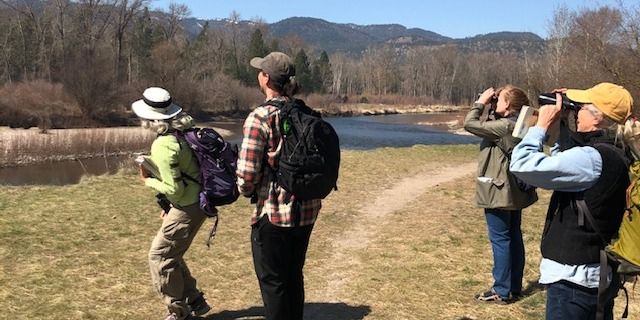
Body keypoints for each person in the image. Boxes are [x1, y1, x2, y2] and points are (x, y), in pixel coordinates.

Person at [509, 82, 633, 320]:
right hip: (598, 274)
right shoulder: (618, 151)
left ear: (598, 117)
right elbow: (566, 165)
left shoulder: (592, 158)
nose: (576, 112)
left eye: (581, 108)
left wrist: (541, 126)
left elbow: (522, 165)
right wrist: (561, 126)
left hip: (574, 281)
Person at [236, 52, 320, 320]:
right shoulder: (307, 114)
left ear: (266, 79)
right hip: (307, 210)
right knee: (294, 275)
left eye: (261, 71)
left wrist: (247, 190)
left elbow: (246, 177)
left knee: (273, 284)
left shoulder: (260, 118)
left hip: (273, 214)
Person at [132, 87, 211, 320]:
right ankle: (195, 301)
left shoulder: (163, 145)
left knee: (159, 256)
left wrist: (148, 181)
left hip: (187, 206)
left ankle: (178, 312)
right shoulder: (182, 132)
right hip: (196, 202)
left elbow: (174, 187)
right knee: (171, 253)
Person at [464, 85, 538, 303]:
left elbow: (470, 124)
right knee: (513, 237)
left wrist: (481, 102)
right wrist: (491, 107)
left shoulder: (505, 126)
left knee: (500, 239)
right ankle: (513, 287)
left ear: (509, 105)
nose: (496, 102)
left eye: (500, 100)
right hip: (513, 191)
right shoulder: (521, 124)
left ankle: (501, 290)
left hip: (498, 190)